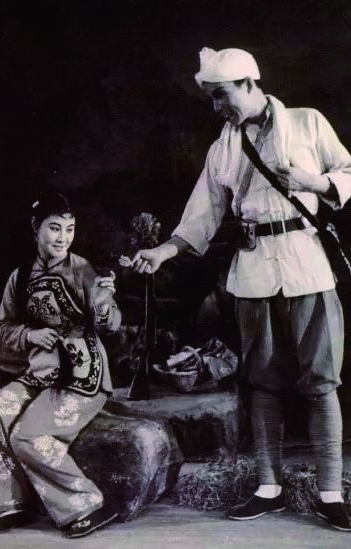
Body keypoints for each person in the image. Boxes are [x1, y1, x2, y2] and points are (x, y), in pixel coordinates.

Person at [129, 47, 351, 531]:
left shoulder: (308, 123)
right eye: (211, 97)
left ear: (250, 83)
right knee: (263, 383)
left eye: (221, 95)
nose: (216, 107)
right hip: (254, 272)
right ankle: (268, 487)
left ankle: (330, 493)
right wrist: (163, 251)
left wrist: (313, 181)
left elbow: (348, 172)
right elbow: (202, 215)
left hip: (307, 266)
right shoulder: (223, 149)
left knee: (321, 382)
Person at [0, 191, 121, 538]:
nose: (63, 238)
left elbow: (110, 325)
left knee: (28, 436)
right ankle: (13, 503)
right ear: (36, 228)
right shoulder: (20, 276)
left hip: (82, 375)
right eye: (55, 228)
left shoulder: (82, 270)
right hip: (40, 374)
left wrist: (104, 304)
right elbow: (2, 327)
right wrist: (30, 335)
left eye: (70, 229)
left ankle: (87, 504)